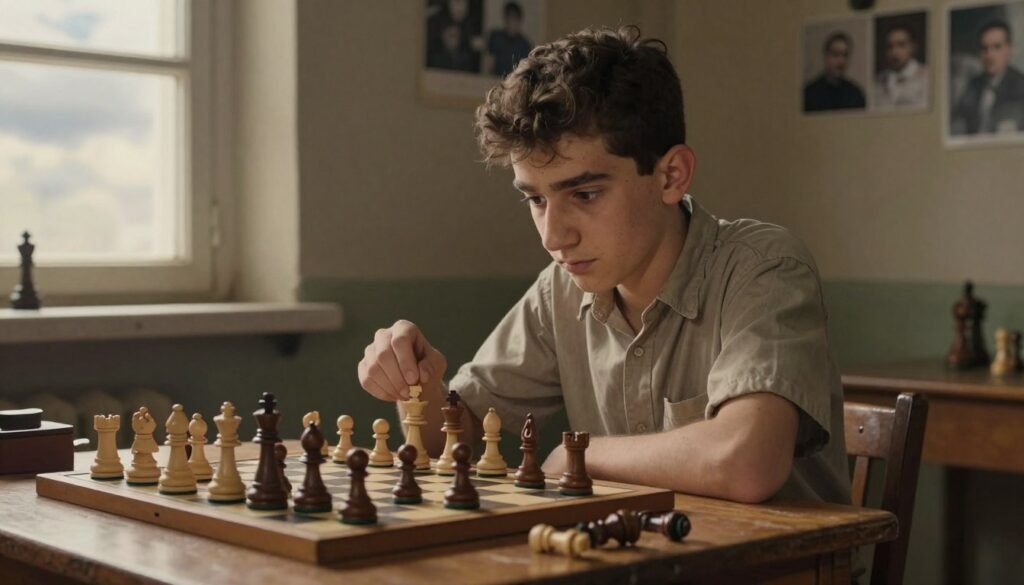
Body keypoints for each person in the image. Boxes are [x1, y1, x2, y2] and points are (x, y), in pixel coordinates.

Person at [359, 26, 850, 505]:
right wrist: (416, 384)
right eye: (534, 199)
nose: (554, 237)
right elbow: (453, 442)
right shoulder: (562, 290)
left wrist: (582, 454)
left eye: (585, 194)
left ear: (671, 175)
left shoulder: (763, 268)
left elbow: (746, 462)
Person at [951, 20, 1024, 135]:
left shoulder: (1020, 86)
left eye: (997, 47)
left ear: (1009, 49)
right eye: (984, 49)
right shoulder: (973, 86)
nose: (990, 55)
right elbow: (958, 125)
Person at [803, 31, 867, 112]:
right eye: (835, 54)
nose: (841, 61)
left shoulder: (856, 94)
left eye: (845, 55)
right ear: (826, 56)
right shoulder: (809, 93)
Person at [873, 24, 929, 110]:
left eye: (901, 45)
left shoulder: (927, 76)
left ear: (913, 47)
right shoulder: (878, 81)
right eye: (890, 46)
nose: (894, 52)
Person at [484, 1, 533, 77]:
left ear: (520, 21)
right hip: (496, 80)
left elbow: (527, 71)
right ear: (505, 19)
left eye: (515, 19)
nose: (513, 23)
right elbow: (489, 63)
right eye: (510, 18)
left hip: (515, 83)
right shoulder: (496, 37)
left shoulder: (525, 45)